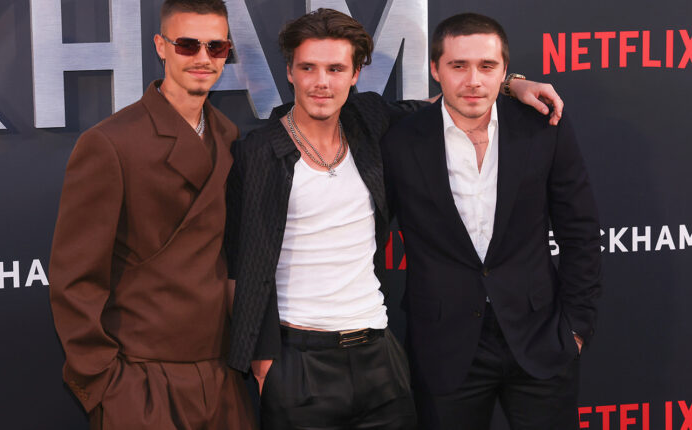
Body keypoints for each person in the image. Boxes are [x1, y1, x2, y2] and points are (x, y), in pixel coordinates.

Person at [225, 8, 566, 429]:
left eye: (336, 69)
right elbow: (239, 265)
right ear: (290, 72)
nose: (321, 82)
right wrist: (262, 364)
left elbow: (448, 102)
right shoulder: (258, 153)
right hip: (298, 362)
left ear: (355, 74)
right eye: (308, 67)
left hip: (380, 358)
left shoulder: (368, 121)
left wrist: (513, 84)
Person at [380, 12, 602, 430]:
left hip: (540, 337)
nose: (473, 81)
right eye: (458, 66)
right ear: (435, 70)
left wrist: (576, 328)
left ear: (504, 71)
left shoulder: (543, 127)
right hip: (443, 346)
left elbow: (581, 231)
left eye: (487, 66)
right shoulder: (401, 139)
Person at [48, 1, 255, 428]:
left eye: (216, 47)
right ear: (161, 46)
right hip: (141, 385)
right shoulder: (110, 143)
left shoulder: (227, 134)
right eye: (188, 45)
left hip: (221, 379)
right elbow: (75, 278)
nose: (203, 58)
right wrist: (104, 383)